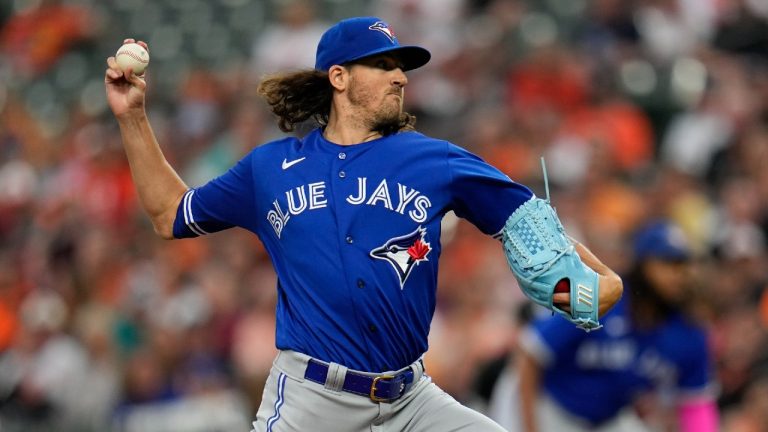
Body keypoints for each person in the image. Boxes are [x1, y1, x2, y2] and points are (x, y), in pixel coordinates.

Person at [104, 16, 623, 432]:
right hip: (311, 401)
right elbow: (170, 213)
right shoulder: (269, 168)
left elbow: (528, 225)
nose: (400, 76)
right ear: (339, 77)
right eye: (383, 64)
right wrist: (133, 117)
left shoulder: (435, 160)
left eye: (402, 66)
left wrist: (585, 284)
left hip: (412, 402)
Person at [487, 220, 719, 432]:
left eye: (684, 264)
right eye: (669, 263)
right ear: (642, 264)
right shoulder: (601, 298)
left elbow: (696, 405)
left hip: (606, 420)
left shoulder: (689, 330)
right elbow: (530, 353)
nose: (679, 275)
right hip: (544, 402)